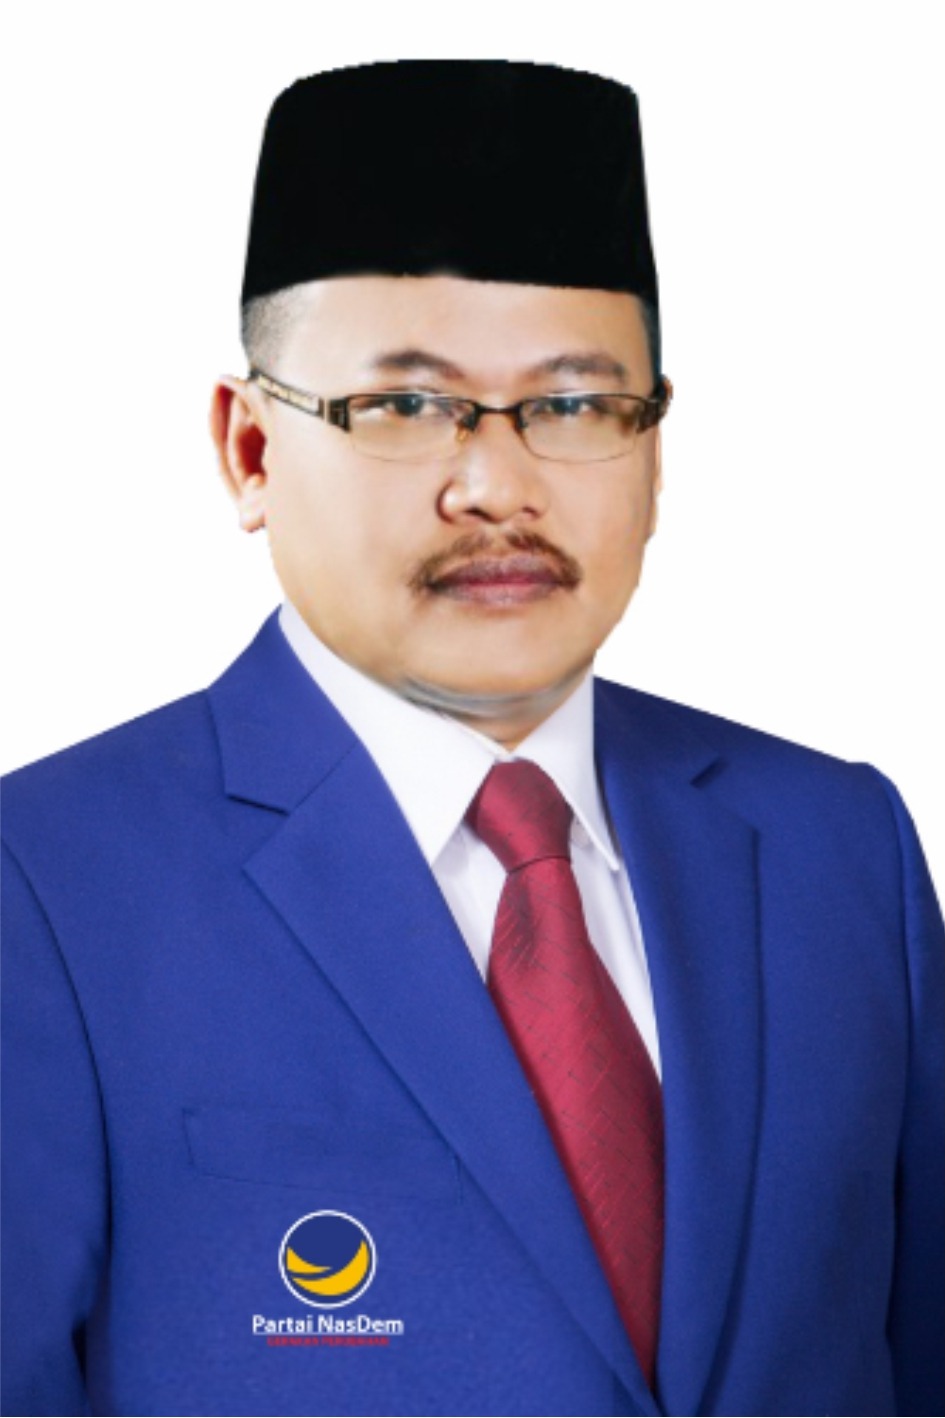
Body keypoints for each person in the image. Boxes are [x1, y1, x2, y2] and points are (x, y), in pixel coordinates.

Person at [1, 59, 941, 1418]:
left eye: (574, 406)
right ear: (249, 451)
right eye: (404, 407)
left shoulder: (838, 847)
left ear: (655, 451)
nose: (498, 486)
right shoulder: (45, 884)